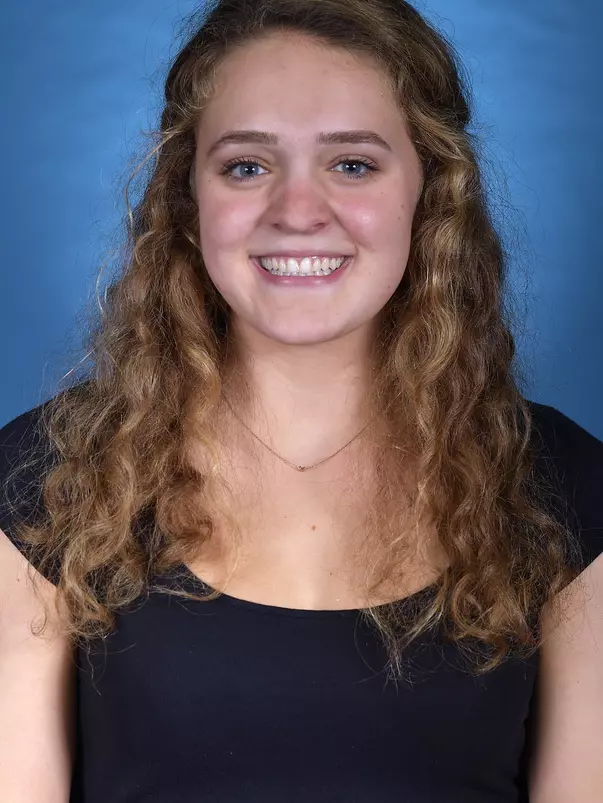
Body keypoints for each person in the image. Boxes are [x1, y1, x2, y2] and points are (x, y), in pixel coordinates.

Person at [1, 0, 602, 800]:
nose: (296, 211)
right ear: (187, 199)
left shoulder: (564, 490)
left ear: (430, 191)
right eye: (246, 166)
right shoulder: (46, 479)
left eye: (351, 164)